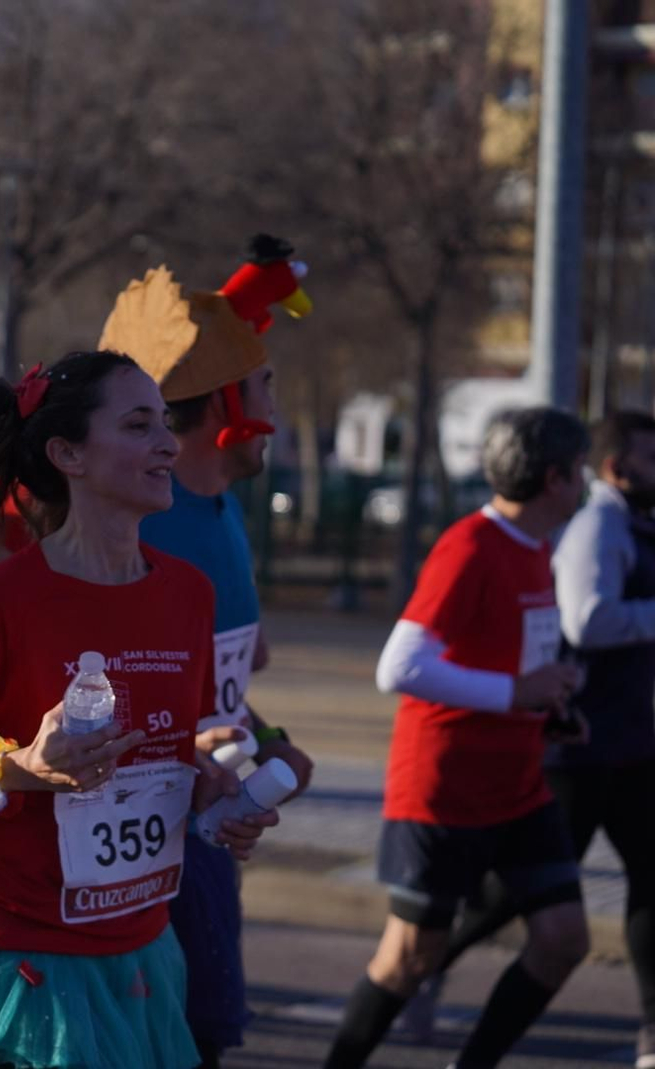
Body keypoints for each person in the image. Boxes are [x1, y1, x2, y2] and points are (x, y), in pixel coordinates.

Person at [0, 350, 278, 1069]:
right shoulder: (2, 601)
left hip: (136, 947)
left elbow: (177, 750)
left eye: (165, 425)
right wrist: (15, 768)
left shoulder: (187, 593)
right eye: (139, 425)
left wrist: (217, 787)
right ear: (67, 453)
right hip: (11, 950)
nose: (168, 444)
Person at [98, 241, 316, 1068]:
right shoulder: (153, 518)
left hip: (201, 830)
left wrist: (264, 736)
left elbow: (205, 686)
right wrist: (192, 751)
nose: (277, 408)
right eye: (266, 387)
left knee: (202, 1040)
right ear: (227, 401)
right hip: (128, 848)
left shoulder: (220, 512)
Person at [324, 407, 591, 1069]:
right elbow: (401, 666)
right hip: (442, 790)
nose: (584, 482)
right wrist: (514, 693)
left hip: (518, 783)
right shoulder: (470, 545)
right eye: (580, 470)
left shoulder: (539, 549)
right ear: (555, 479)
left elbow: (509, 660)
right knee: (410, 957)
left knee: (563, 938)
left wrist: (549, 707)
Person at [401, 409, 655, 1065]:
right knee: (518, 896)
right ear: (612, 468)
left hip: (625, 739)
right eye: (651, 458)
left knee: (642, 878)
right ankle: (420, 966)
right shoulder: (592, 525)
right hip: (573, 746)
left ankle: (652, 1032)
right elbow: (586, 618)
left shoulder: (625, 524)